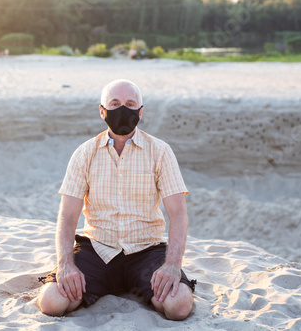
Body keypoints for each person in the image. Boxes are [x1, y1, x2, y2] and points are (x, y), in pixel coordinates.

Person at [37, 79, 196, 321]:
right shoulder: (84, 154)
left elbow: (178, 213)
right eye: (115, 103)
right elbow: (68, 216)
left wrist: (172, 265)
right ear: (102, 111)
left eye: (130, 104)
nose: (123, 109)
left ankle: (140, 283)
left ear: (140, 112)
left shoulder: (160, 152)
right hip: (97, 249)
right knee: (51, 302)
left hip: (146, 250)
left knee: (179, 306)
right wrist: (66, 264)